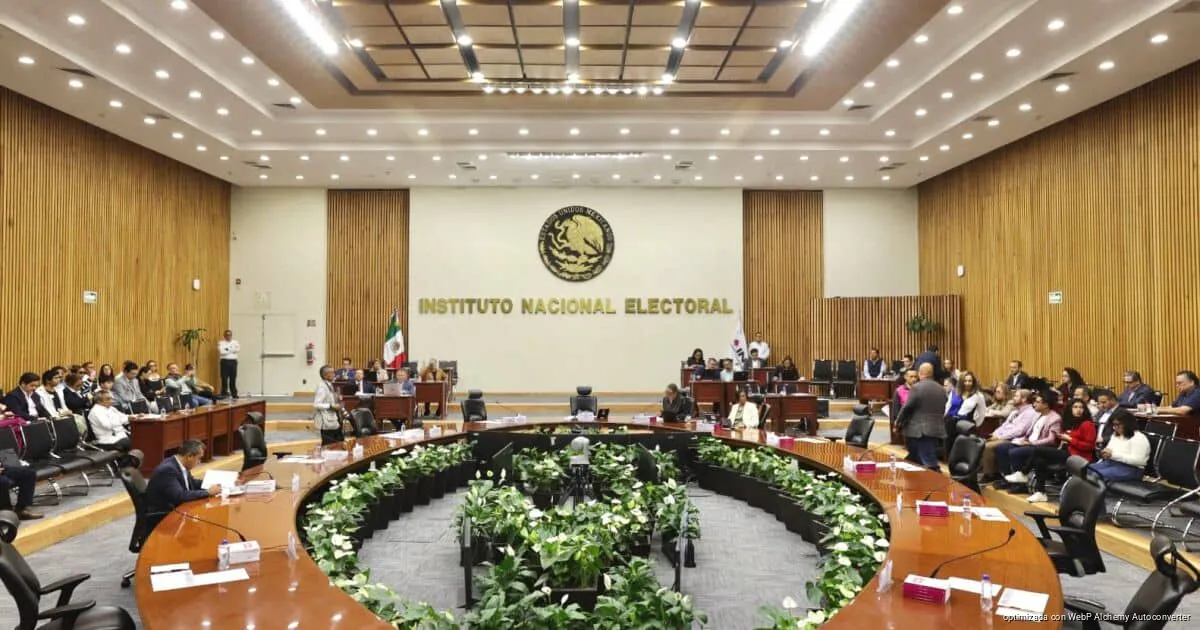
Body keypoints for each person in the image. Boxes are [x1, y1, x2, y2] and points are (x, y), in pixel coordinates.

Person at [1016, 399, 1098, 503]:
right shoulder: (1070, 424)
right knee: (1039, 460)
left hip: (1078, 457)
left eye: (1081, 407)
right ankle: (1041, 493)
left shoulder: (1087, 424)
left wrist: (1070, 439)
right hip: (1066, 453)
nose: (1078, 410)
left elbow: (1089, 446)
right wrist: (1059, 437)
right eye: (1075, 407)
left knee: (1038, 449)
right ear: (1070, 409)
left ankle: (1024, 473)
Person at [994, 393, 1062, 484]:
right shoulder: (1038, 415)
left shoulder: (1055, 418)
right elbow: (1029, 432)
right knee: (1001, 448)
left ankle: (1020, 483)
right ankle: (1007, 478)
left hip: (1040, 446)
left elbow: (1051, 440)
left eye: (1037, 402)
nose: (1034, 404)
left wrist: (1031, 443)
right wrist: (1022, 440)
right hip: (1028, 442)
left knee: (1014, 453)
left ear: (1045, 405)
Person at [144, 439, 221, 515]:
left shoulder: (181, 464)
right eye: (199, 458)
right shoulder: (168, 469)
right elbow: (180, 496)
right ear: (189, 456)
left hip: (178, 508)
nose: (199, 462)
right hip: (165, 515)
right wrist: (208, 492)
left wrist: (211, 483)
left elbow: (192, 482)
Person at [895, 363, 948, 471]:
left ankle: (936, 480)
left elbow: (907, 407)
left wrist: (898, 422)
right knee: (914, 458)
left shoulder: (917, 387)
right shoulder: (942, 389)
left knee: (930, 464)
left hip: (920, 430)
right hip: (936, 428)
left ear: (920, 373)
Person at [980, 389, 1038, 481]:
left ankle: (990, 475)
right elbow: (1004, 426)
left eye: (1016, 396)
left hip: (1015, 439)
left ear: (1024, 399)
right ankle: (993, 473)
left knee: (988, 446)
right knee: (982, 441)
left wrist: (999, 437)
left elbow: (1019, 431)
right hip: (1004, 436)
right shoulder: (1015, 412)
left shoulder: (1030, 412)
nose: (1013, 398)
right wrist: (994, 434)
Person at [87, 391, 144, 469]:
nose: (111, 401)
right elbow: (108, 425)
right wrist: (124, 419)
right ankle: (124, 466)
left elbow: (123, 417)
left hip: (119, 435)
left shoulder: (111, 408)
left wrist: (135, 416)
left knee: (140, 437)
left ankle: (130, 464)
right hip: (107, 439)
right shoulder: (96, 411)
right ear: (99, 401)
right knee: (130, 442)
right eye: (108, 399)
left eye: (111, 398)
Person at [1089, 414, 1151, 483]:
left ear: (1127, 424)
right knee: (1085, 470)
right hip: (1111, 463)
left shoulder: (1138, 438)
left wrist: (1113, 455)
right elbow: (1110, 450)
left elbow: (1139, 461)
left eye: (1117, 425)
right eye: (1114, 425)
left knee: (1096, 475)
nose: (1114, 428)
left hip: (1132, 469)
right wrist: (1105, 453)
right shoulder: (1116, 435)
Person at [312, 365, 345, 445]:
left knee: (338, 444)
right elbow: (316, 404)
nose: (334, 374)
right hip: (326, 422)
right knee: (329, 446)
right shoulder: (322, 386)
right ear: (325, 375)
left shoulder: (329, 385)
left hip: (332, 420)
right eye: (332, 372)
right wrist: (331, 406)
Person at [948, 371, 987, 436]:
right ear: (961, 382)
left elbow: (982, 413)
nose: (967, 383)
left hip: (966, 427)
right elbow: (948, 407)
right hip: (950, 424)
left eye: (970, 381)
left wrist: (974, 425)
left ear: (973, 382)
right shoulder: (954, 392)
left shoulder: (978, 395)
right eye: (965, 381)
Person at [889, 369, 918, 436]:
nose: (914, 379)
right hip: (905, 423)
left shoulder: (920, 389)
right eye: (911, 376)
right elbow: (895, 410)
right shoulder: (899, 390)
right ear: (905, 377)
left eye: (915, 376)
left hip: (918, 423)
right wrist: (895, 424)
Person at [218, 329, 240, 399]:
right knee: (224, 378)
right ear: (224, 336)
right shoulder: (221, 343)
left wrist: (227, 349)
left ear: (231, 335)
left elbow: (237, 350)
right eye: (227, 335)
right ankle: (224, 393)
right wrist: (232, 349)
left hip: (233, 361)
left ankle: (234, 393)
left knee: (233, 378)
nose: (228, 336)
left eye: (230, 335)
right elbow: (222, 352)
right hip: (225, 361)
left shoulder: (235, 342)